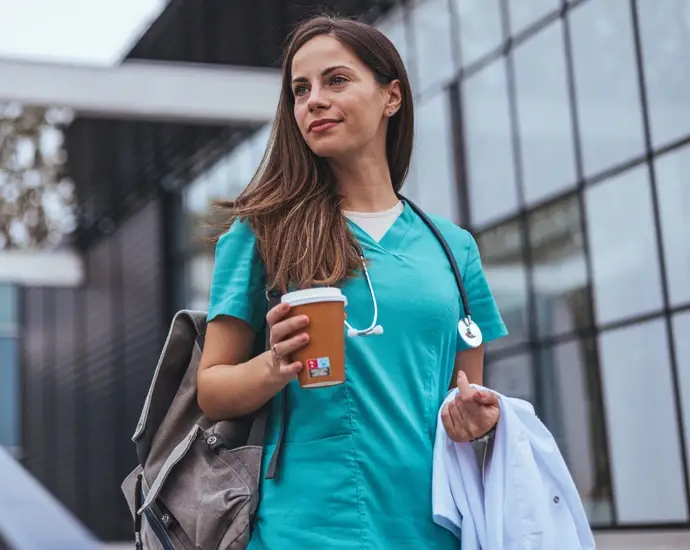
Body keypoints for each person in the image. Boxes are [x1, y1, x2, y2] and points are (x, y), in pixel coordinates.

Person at [196, 14, 508, 550]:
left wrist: (477, 421)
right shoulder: (261, 235)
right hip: (307, 530)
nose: (313, 100)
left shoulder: (453, 249)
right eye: (300, 89)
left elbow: (465, 400)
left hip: (434, 529)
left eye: (335, 80)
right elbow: (213, 391)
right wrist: (274, 364)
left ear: (392, 97)